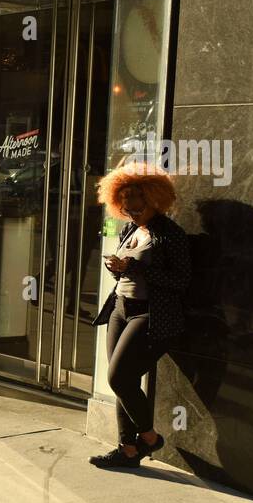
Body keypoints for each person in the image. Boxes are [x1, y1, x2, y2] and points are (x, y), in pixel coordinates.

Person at [89, 163, 192, 469]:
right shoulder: (130, 228)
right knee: (124, 381)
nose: (131, 212)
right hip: (121, 308)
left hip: (151, 314)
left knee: (119, 377)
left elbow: (181, 281)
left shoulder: (170, 235)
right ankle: (128, 449)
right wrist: (117, 267)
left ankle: (148, 437)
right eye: (125, 204)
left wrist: (133, 268)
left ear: (154, 199)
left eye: (137, 204)